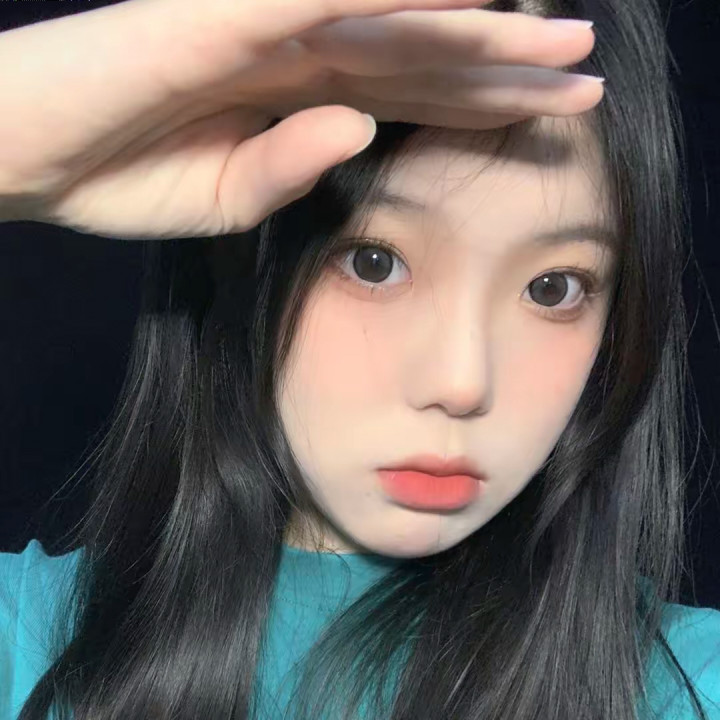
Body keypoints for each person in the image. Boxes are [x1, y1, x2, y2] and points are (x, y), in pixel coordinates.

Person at [0, 0, 717, 718]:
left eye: (553, 288)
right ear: (240, 250)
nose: (461, 382)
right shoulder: (28, 639)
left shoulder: (690, 682)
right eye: (375, 262)